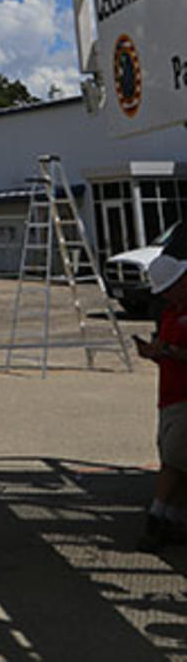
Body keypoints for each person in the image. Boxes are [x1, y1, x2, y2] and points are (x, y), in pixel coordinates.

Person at [133, 221, 187, 552]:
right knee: (175, 461)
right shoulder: (170, 313)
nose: (167, 296)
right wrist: (157, 353)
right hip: (170, 398)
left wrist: (166, 352)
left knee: (173, 463)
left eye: (169, 289)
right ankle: (171, 519)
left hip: (183, 399)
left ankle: (158, 519)